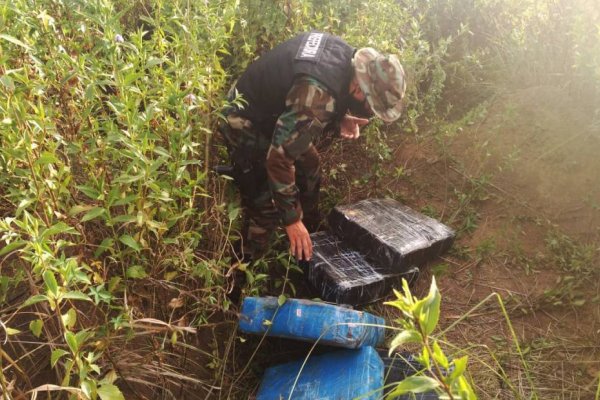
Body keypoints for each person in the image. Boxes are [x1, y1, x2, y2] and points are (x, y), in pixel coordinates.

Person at [218, 31, 406, 263]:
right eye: (371, 107)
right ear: (359, 89)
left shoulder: (344, 57)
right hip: (244, 119)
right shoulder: (317, 98)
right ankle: (239, 274)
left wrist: (338, 120)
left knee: (310, 162)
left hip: (271, 109)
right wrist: (291, 220)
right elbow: (278, 159)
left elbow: (312, 96)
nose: (369, 112)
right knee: (265, 210)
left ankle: (311, 230)